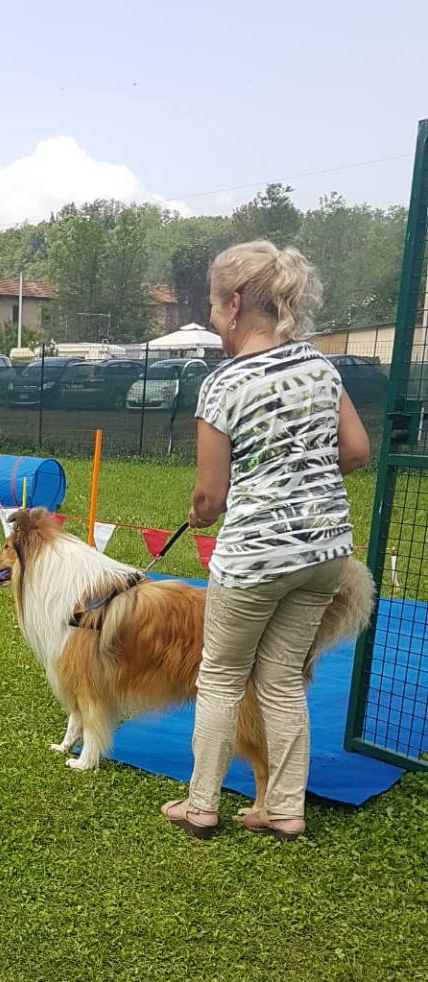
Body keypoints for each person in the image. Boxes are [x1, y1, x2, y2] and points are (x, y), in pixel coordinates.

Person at [162, 240, 371, 841]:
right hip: (326, 551)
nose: (211, 317)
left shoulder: (225, 385)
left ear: (233, 303)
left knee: (221, 676)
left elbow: (212, 494)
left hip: (255, 557)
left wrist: (203, 513)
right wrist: (304, 478)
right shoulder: (320, 367)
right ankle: (284, 810)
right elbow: (356, 451)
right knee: (281, 679)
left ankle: (201, 805)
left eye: (211, 304)